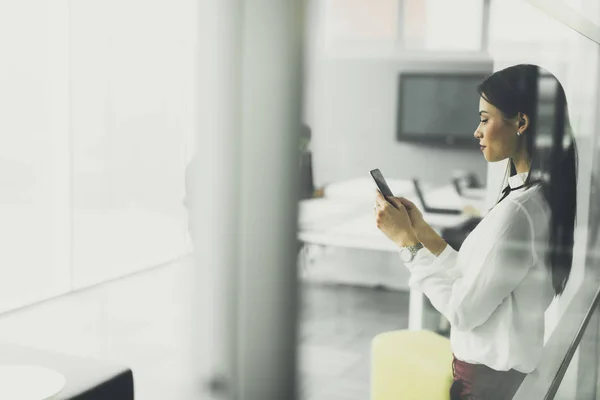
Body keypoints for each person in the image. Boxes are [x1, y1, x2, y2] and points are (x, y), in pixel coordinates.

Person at [374, 64, 577, 400]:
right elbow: (475, 279)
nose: (476, 131)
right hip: (502, 379)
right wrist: (421, 230)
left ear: (521, 123)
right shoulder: (534, 198)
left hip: (486, 385)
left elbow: (463, 311)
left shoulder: (518, 212)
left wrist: (406, 244)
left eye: (485, 119)